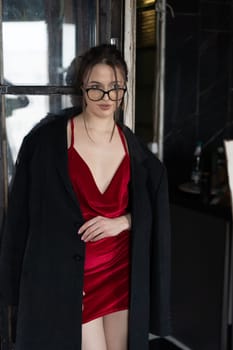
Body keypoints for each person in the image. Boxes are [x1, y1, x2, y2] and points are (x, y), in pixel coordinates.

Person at [0, 44, 171, 350]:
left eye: (114, 88)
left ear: (123, 89)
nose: (106, 98)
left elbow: (155, 213)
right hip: (73, 280)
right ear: (82, 86)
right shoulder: (47, 144)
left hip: (121, 274)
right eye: (96, 88)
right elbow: (23, 219)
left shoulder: (137, 151)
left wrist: (125, 221)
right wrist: (28, 285)